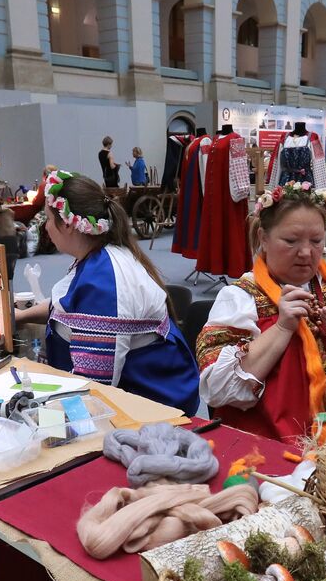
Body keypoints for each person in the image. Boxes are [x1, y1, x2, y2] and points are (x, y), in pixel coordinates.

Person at [196, 183, 326, 442]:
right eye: (290, 241)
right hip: (276, 443)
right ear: (264, 238)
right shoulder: (242, 297)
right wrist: (282, 328)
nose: (306, 253)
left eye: (316, 240)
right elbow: (218, 389)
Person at [14, 171, 199, 414]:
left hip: (152, 407)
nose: (46, 226)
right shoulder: (99, 258)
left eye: (48, 218)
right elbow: (66, 304)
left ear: (68, 224)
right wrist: (21, 316)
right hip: (139, 395)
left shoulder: (102, 281)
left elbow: (94, 392)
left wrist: (45, 418)